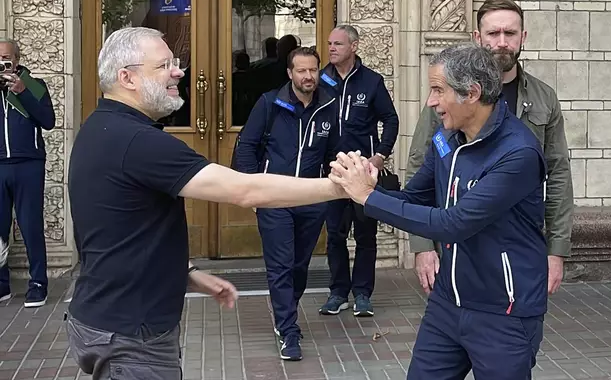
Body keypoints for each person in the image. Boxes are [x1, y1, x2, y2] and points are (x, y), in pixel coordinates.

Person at [66, 27, 349, 380]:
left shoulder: (101, 126)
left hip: (106, 318)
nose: (178, 72)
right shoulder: (138, 142)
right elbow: (246, 191)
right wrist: (340, 188)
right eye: (164, 65)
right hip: (131, 335)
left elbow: (121, 231)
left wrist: (185, 275)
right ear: (127, 77)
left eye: (176, 62)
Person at [329, 43, 547, 379]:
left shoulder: (518, 154)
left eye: (437, 90)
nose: (431, 102)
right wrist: (371, 182)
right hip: (447, 304)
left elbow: (453, 224)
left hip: (503, 312)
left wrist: (368, 196)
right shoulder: (447, 139)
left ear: (471, 93)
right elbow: (415, 197)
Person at [406, 0, 573, 297]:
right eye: (493, 33)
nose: (501, 42)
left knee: (511, 333)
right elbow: (421, 163)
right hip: (457, 244)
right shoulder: (450, 94)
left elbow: (558, 173)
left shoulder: (543, 98)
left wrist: (557, 249)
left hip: (518, 247)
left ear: (522, 37)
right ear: (477, 37)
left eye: (509, 33)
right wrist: (422, 245)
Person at [234, 47, 339, 361]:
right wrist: (251, 189)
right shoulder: (269, 104)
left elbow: (334, 153)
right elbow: (247, 148)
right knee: (280, 267)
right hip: (274, 197)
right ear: (290, 73)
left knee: (299, 266)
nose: (308, 77)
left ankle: (286, 314)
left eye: (313, 71)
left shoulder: (328, 105)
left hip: (311, 198)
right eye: (301, 71)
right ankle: (288, 330)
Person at [318, 25, 399, 317]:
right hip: (332, 172)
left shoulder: (372, 82)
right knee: (336, 234)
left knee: (366, 235)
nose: (332, 48)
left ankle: (363, 294)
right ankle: (338, 292)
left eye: (338, 43)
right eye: (329, 44)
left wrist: (379, 157)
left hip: (363, 173)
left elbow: (390, 119)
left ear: (354, 46)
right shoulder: (320, 80)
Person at [0, 38, 55, 308]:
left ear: (17, 60)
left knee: (31, 225)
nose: (2, 63)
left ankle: (38, 285)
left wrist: (21, 91)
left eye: (7, 58)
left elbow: (48, 121)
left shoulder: (34, 85)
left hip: (28, 164)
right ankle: (1, 285)